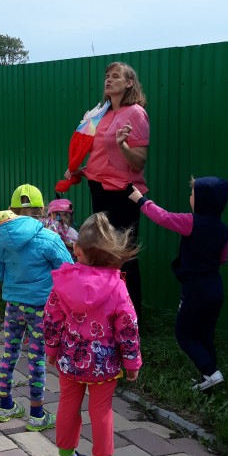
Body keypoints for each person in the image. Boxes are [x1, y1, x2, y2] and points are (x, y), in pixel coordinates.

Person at [44, 212, 141, 456]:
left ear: (77, 249)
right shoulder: (116, 286)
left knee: (67, 403)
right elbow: (128, 326)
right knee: (101, 410)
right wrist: (132, 361)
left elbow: (51, 319)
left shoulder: (63, 282)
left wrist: (51, 350)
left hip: (69, 359)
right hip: (104, 364)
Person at [0, 184, 72, 431]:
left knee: (9, 351)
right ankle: (37, 414)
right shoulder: (49, 238)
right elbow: (67, 270)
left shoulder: (1, 237)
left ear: (11, 209)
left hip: (13, 305)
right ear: (42, 210)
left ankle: (6, 406)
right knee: (37, 358)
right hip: (41, 308)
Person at [130, 176, 228, 391]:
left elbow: (163, 217)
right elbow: (222, 259)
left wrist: (141, 200)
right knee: (205, 334)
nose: (190, 197)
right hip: (215, 287)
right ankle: (209, 375)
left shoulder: (191, 222)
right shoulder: (223, 229)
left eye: (193, 194)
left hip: (195, 289)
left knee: (184, 334)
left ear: (203, 199)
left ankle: (212, 372)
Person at [76, 62, 149, 318]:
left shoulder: (136, 113)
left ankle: (131, 318)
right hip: (98, 189)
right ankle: (108, 313)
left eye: (116, 76)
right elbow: (100, 155)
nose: (109, 80)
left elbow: (139, 161)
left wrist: (123, 146)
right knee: (103, 251)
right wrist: (80, 170)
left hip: (123, 194)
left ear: (129, 83)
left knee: (123, 256)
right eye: (107, 76)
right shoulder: (102, 113)